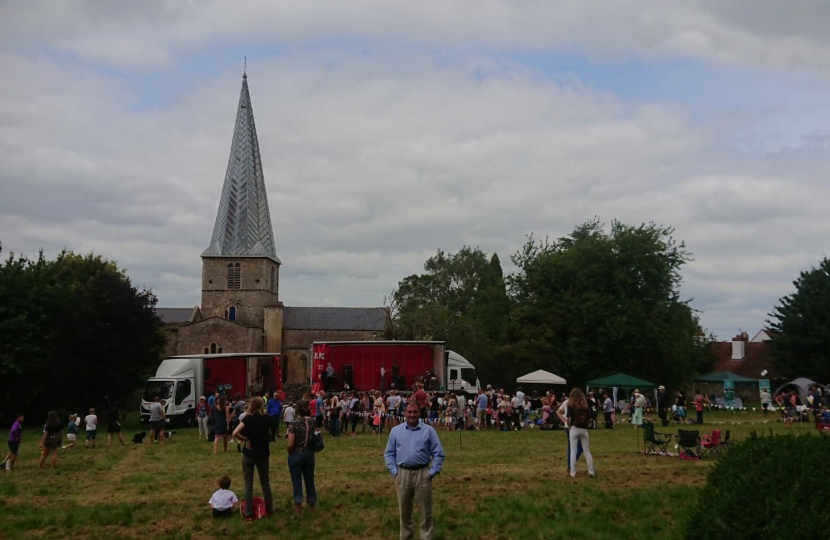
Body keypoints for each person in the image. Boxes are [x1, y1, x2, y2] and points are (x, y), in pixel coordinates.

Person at [384, 401, 445, 540]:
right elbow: (389, 453)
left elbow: (438, 453)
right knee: (405, 515)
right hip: (402, 475)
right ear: (405, 413)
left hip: (423, 474)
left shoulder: (429, 431)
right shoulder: (396, 431)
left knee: (426, 514)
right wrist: (394, 472)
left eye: (415, 412)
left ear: (420, 413)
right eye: (409, 412)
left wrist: (432, 472)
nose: (412, 415)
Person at [232, 396, 274, 520]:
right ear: (262, 406)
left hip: (249, 453)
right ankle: (270, 509)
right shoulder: (266, 419)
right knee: (265, 483)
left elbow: (235, 433)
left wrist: (246, 439)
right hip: (263, 454)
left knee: (248, 483)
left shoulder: (247, 419)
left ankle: (248, 513)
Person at [287, 400, 317, 516]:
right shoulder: (312, 421)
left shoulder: (294, 424)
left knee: (297, 482)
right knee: (310, 481)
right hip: (309, 453)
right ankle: (312, 509)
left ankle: (298, 511)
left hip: (296, 454)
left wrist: (289, 451)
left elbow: (290, 444)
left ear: (296, 410)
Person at [565, 388, 596, 478]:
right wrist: (586, 425)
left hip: (574, 429)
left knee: (573, 451)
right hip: (584, 429)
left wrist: (569, 426)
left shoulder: (570, 405)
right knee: (587, 451)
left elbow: (568, 418)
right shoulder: (585, 406)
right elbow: (590, 418)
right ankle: (591, 471)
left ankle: (573, 472)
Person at [556, 393, 583, 472]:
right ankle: (571, 464)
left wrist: (564, 421)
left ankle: (570, 465)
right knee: (579, 447)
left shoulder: (566, 402)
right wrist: (564, 420)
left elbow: (558, 412)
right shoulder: (575, 404)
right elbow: (558, 412)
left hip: (569, 426)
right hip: (573, 426)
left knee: (571, 447)